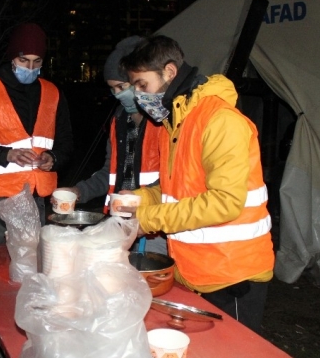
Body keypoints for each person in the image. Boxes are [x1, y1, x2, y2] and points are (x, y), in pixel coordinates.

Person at [117, 34, 274, 334]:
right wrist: (138, 199)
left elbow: (224, 202)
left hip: (233, 276)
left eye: (142, 85)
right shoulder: (173, 123)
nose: (138, 95)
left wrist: (145, 221)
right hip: (196, 271)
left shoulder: (220, 121)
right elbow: (176, 190)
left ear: (170, 72)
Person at [0, 23, 73, 245]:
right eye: (23, 60)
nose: (30, 67)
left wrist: (54, 158)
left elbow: (66, 143)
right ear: (12, 59)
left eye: (36, 61)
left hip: (36, 199)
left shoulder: (52, 93)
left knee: (31, 268)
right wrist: (7, 155)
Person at [54, 36, 167, 254]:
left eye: (121, 86)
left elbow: (175, 180)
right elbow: (110, 173)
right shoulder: (119, 122)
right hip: (119, 222)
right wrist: (78, 191)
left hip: (156, 227)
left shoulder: (163, 121)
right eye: (112, 89)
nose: (117, 94)